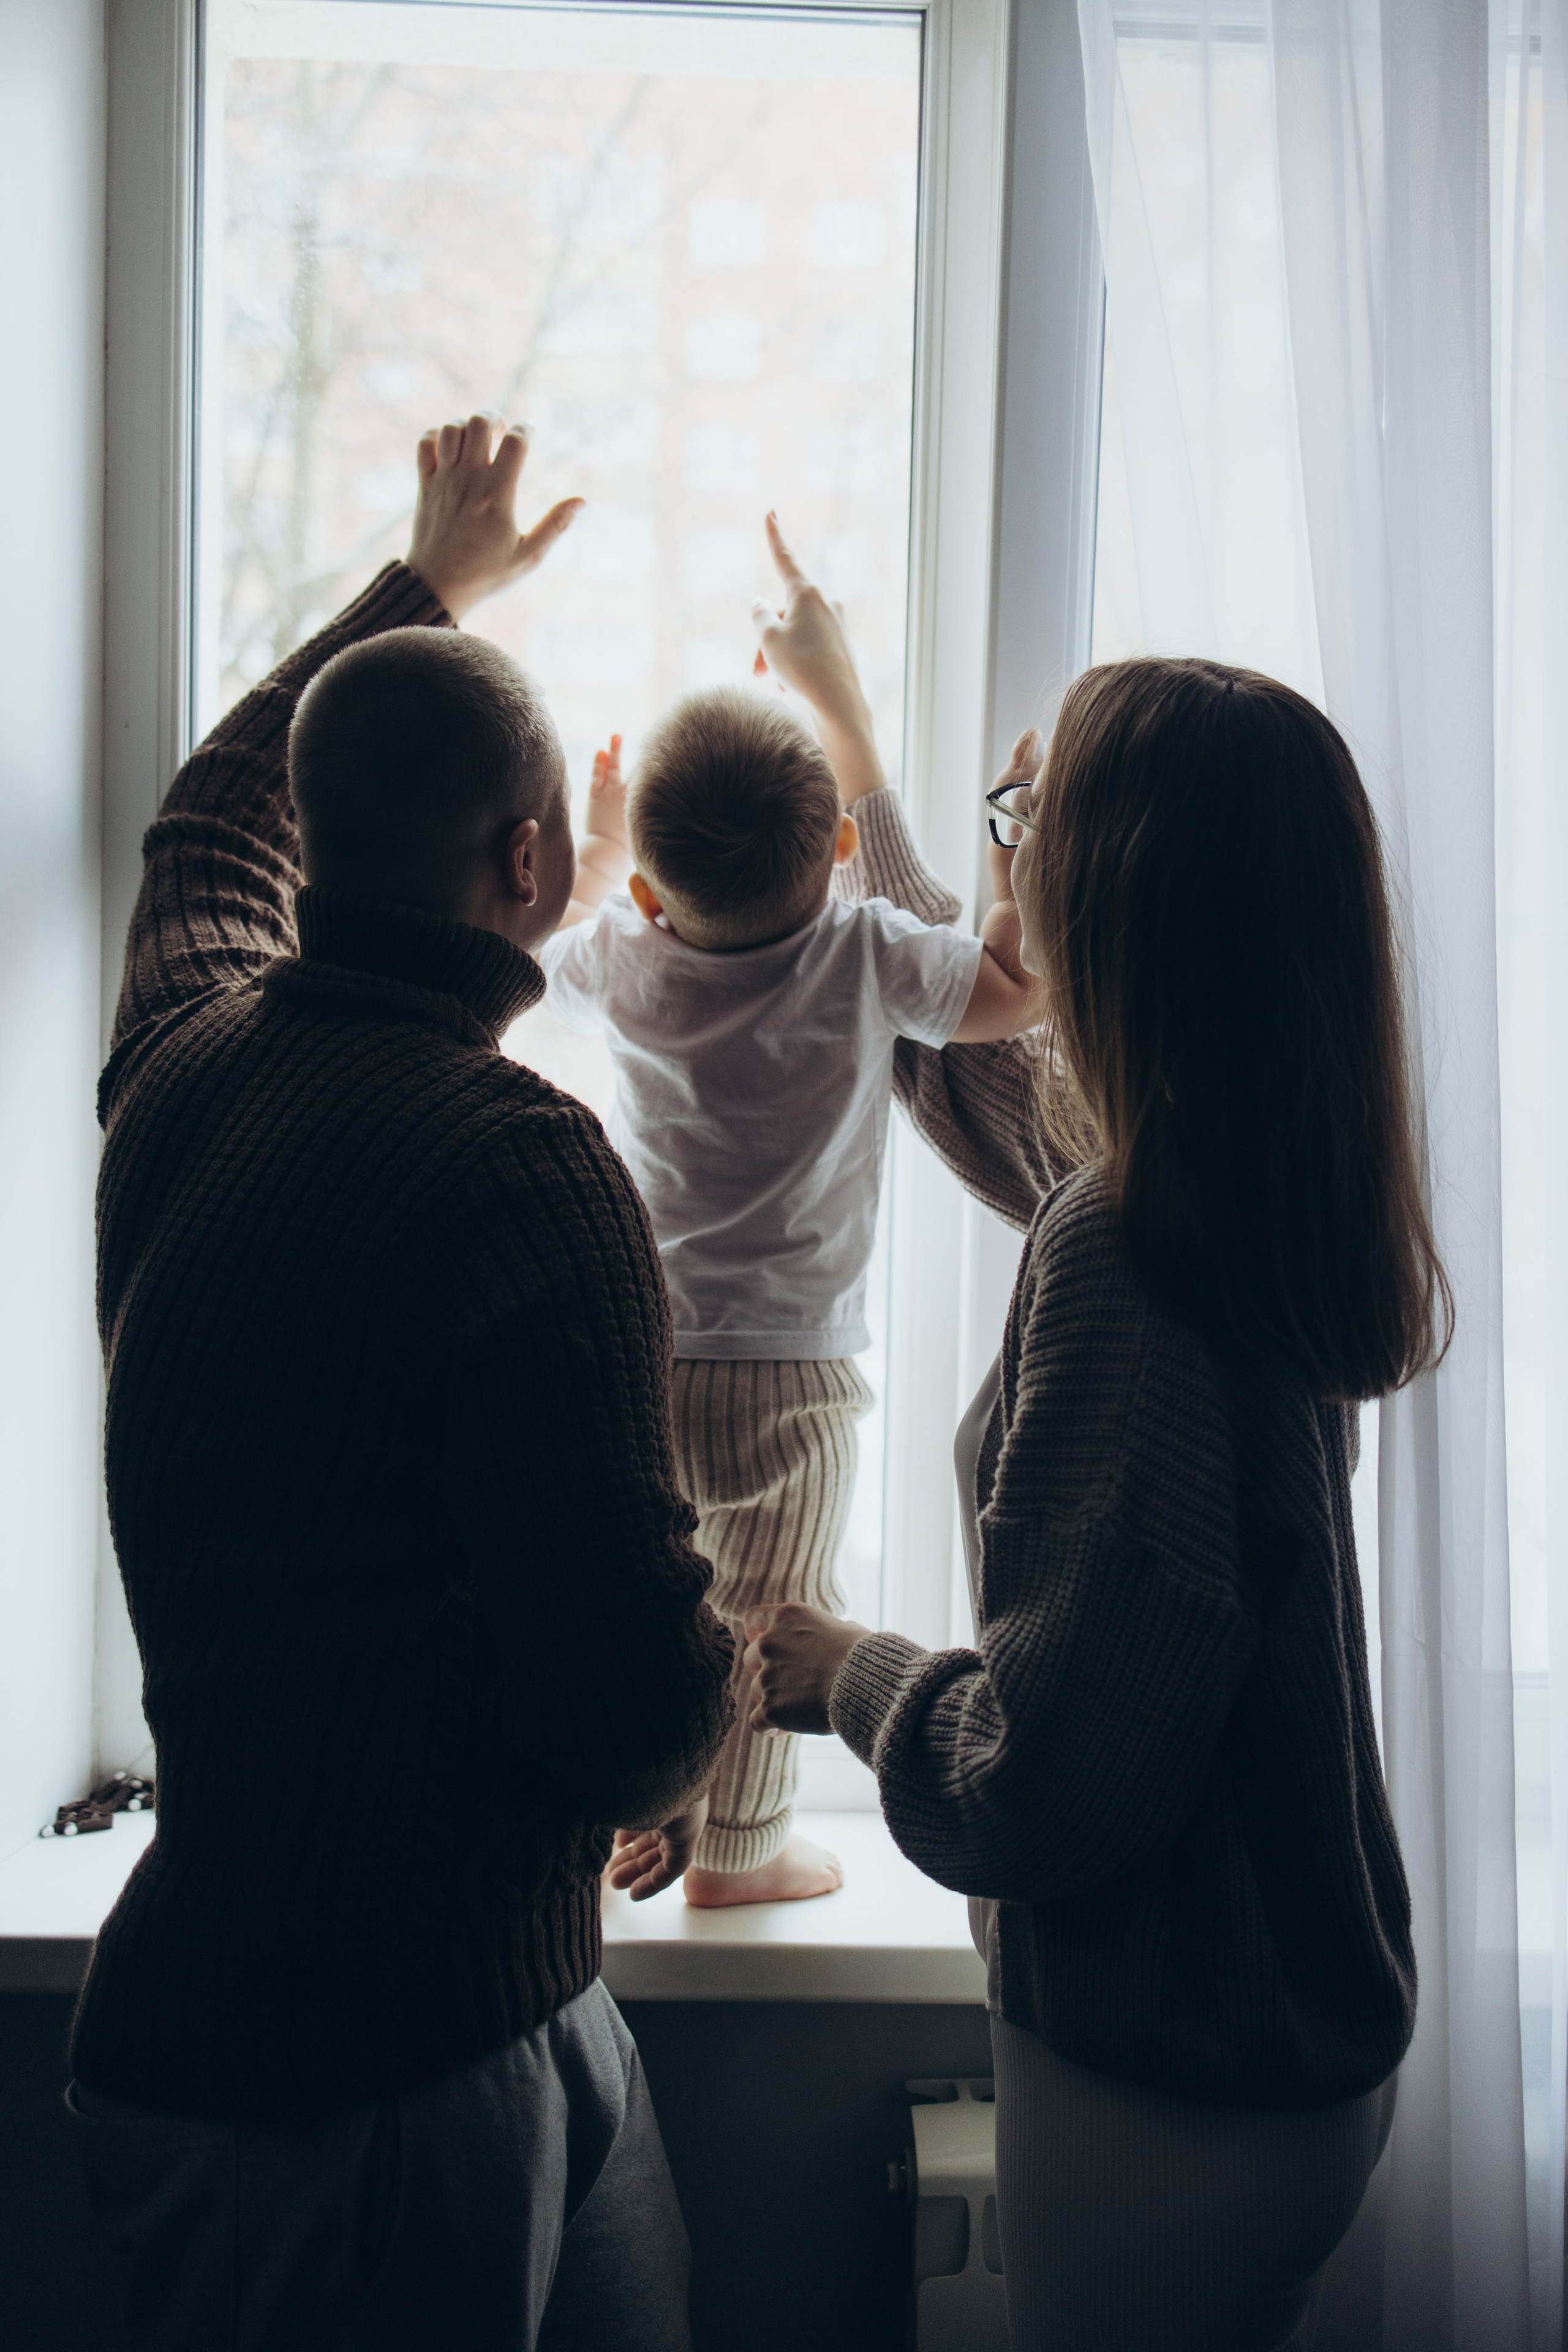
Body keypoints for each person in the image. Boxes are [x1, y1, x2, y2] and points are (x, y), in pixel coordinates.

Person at [69, 414, 735, 2352]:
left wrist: (424, 582)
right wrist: (732, 1668)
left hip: (276, 2005)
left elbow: (211, 817)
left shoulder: (178, 1058)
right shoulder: (522, 1167)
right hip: (384, 2082)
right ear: (533, 861)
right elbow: (629, 1709)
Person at [744, 606, 1442, 2348]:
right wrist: (852, 757)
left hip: (1172, 2098)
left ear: (1111, 898)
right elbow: (971, 1063)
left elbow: (1039, 1786)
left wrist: (850, 1674)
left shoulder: (1137, 1259)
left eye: (1021, 822)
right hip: (1280, 2058)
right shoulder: (1249, 1195)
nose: (1005, 856)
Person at [537, 516, 1039, 1907]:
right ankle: (741, 1857)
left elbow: (541, 947)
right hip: (795, 1369)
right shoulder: (864, 947)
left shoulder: (625, 959)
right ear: (830, 848)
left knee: (650, 1602)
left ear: (648, 890)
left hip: (641, 1353)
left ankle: (624, 1813)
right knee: (768, 1620)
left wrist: (592, 850)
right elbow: (1012, 994)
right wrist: (1007, 866)